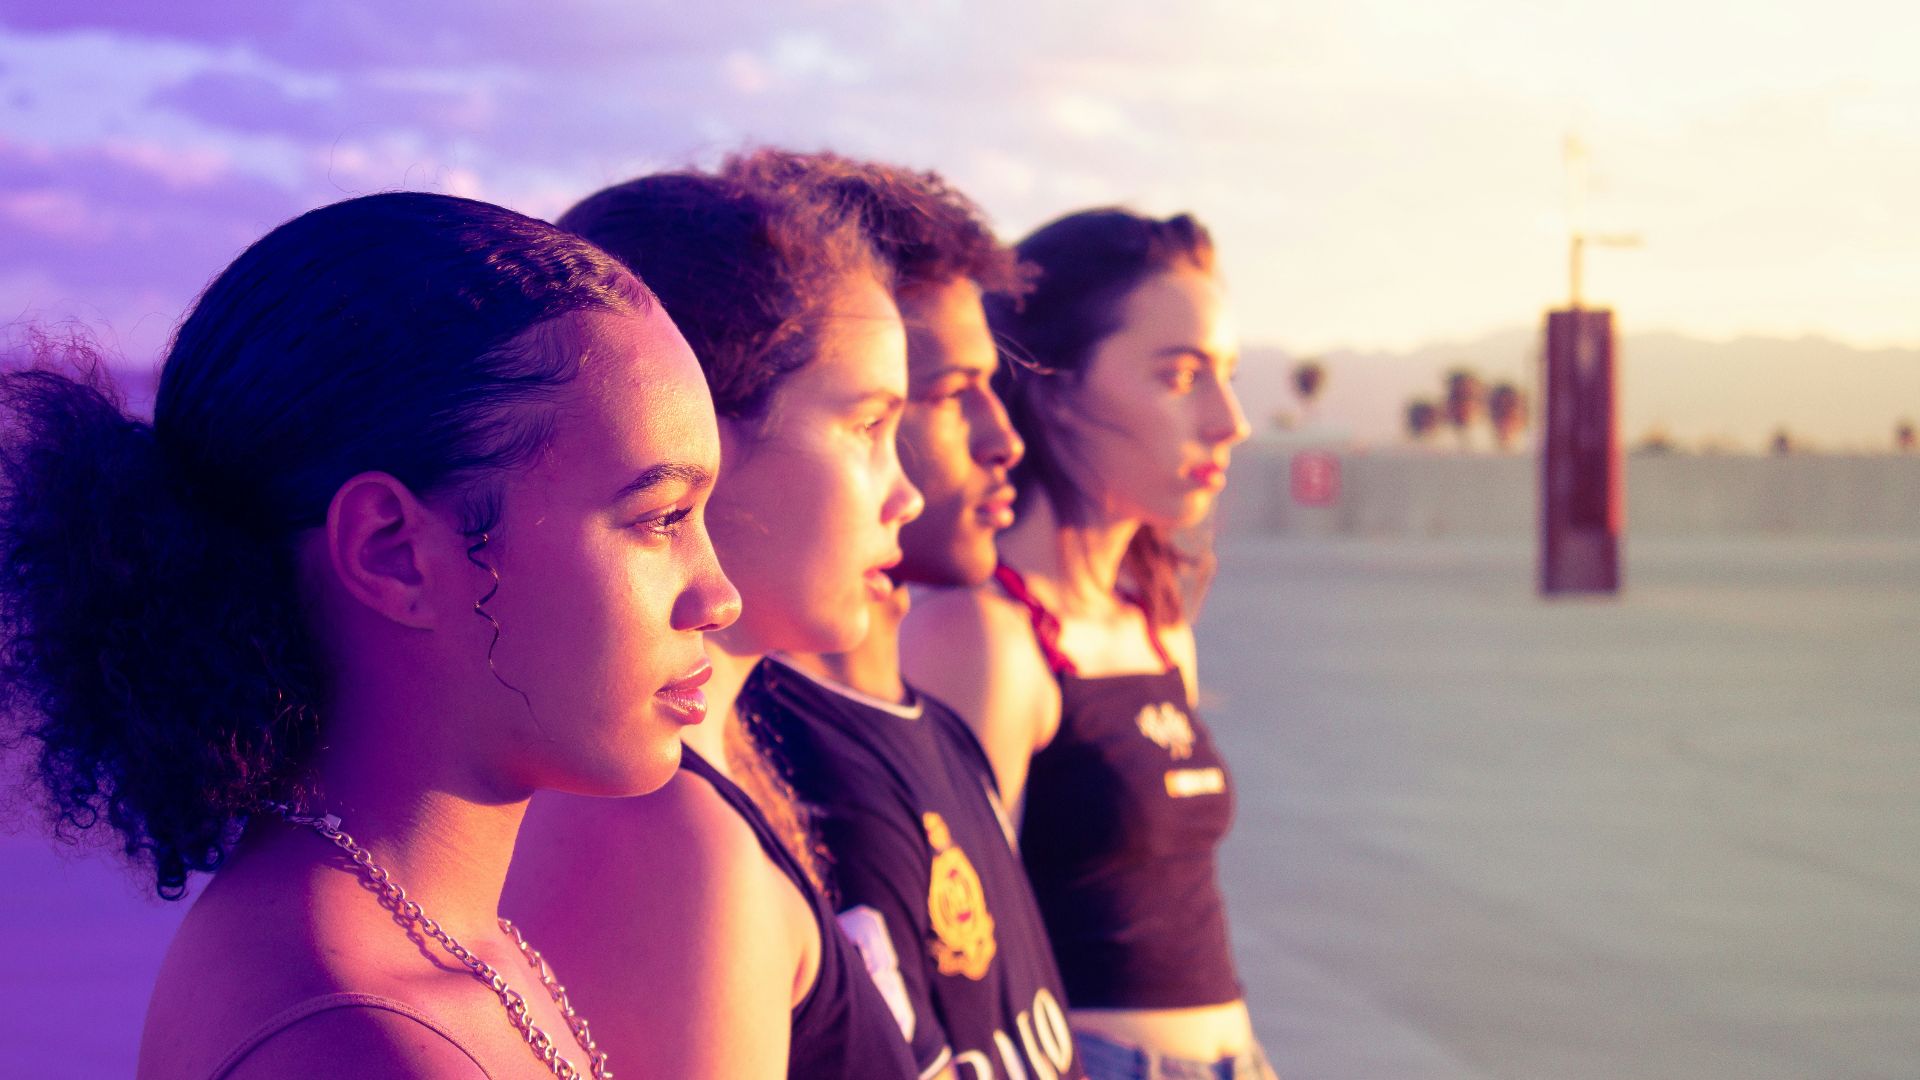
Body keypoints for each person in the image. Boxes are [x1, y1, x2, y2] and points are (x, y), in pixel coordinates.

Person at [0, 192, 740, 1079]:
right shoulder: (360, 1040)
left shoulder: (416, 942)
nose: (719, 595)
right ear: (396, 553)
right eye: (661, 517)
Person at [505, 154, 924, 1079]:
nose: (908, 494)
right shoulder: (659, 841)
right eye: (866, 426)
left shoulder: (708, 771)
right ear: (689, 429)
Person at [902, 209, 1271, 1079]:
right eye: (1181, 377)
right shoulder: (985, 637)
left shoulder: (1155, 622)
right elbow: (958, 958)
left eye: (1227, 374)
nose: (1230, 421)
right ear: (1058, 387)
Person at [746, 154, 1085, 1080]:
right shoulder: (756, 764)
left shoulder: (930, 721)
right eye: (942, 396)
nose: (1002, 438)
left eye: (992, 387)